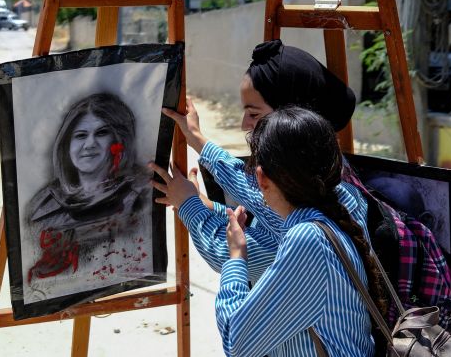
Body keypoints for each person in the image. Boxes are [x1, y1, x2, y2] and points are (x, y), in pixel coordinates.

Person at [153, 107, 381, 356]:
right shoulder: (344, 200)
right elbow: (251, 196)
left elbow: (237, 343)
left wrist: (236, 257)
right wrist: (197, 143)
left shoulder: (307, 240)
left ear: (261, 178)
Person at [25, 93, 152, 300]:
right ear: (66, 143)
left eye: (101, 133)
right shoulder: (42, 204)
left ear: (118, 140)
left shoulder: (140, 195)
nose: (90, 144)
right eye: (81, 135)